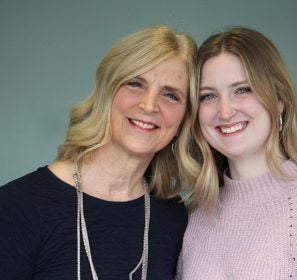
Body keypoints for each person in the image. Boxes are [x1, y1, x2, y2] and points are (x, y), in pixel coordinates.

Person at [0, 25, 198, 279]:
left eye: (171, 95)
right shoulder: (17, 208)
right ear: (107, 91)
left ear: (184, 117)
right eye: (135, 84)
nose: (149, 105)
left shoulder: (173, 219)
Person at [176, 27, 297, 279]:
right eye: (208, 96)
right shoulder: (195, 217)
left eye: (242, 89)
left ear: (279, 100)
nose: (225, 111)